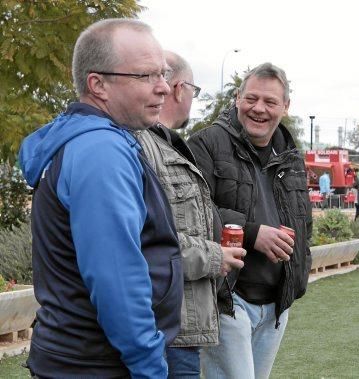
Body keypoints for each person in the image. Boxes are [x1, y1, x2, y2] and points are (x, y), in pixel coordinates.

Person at [18, 19, 183, 377]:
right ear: (98, 84)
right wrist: (149, 365)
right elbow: (116, 276)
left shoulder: (98, 140)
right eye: (145, 76)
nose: (164, 88)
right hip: (96, 364)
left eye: (164, 74)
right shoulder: (100, 150)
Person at [188, 62, 312, 378]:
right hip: (228, 298)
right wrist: (252, 233)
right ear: (237, 98)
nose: (259, 109)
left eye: (270, 102)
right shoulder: (206, 143)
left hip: (276, 306)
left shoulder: (292, 156)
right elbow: (194, 213)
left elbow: (303, 222)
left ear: (285, 107)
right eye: (251, 98)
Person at [134, 51, 245, 378]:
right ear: (179, 88)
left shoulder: (164, 143)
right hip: (168, 328)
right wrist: (214, 257)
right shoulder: (140, 144)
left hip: (180, 324)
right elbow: (145, 238)